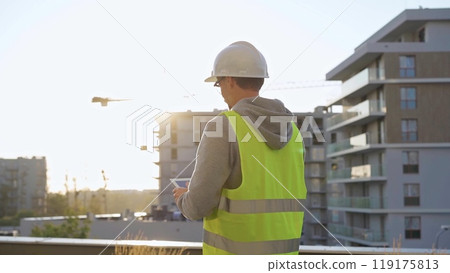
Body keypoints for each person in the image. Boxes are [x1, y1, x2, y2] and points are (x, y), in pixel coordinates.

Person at [173, 41, 306, 255]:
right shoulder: (294, 131)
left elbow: (197, 207)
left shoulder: (224, 126)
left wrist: (183, 197)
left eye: (219, 83)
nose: (221, 91)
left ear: (230, 80)